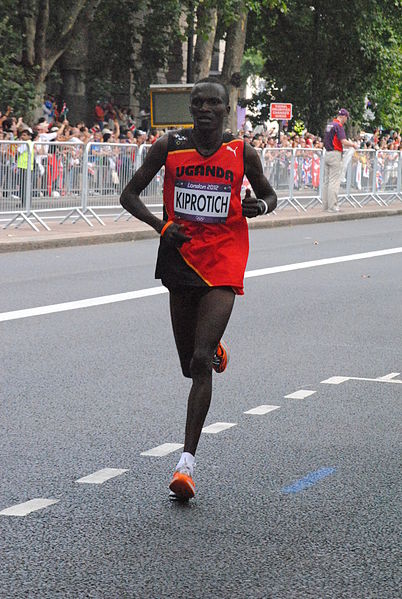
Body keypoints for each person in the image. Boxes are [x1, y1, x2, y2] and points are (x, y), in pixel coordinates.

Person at [120, 77, 277, 501]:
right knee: (189, 365)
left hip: (225, 258)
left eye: (214, 103)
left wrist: (257, 206)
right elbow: (128, 194)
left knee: (202, 359)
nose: (205, 108)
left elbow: (270, 196)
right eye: (198, 103)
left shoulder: (243, 151)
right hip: (180, 258)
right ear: (190, 109)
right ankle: (211, 347)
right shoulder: (170, 147)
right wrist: (162, 225)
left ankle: (186, 463)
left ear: (227, 109)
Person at [322, 108, 359, 212]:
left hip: (327, 153)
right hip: (335, 154)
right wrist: (353, 144)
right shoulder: (339, 126)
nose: (346, 120)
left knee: (326, 181)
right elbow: (343, 141)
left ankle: (325, 206)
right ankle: (332, 206)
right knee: (334, 181)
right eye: (346, 118)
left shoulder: (330, 124)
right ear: (343, 116)